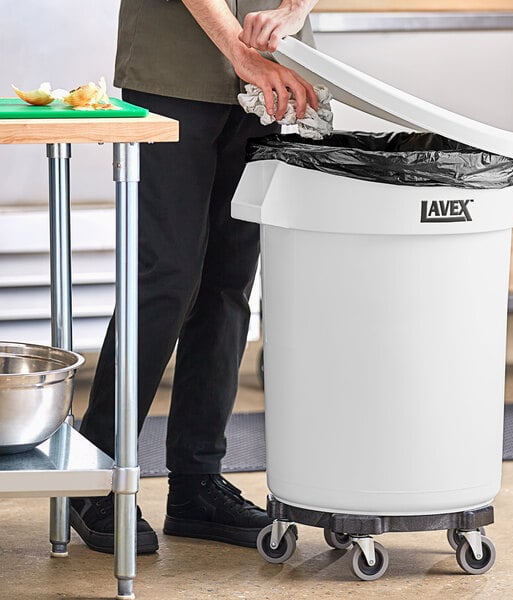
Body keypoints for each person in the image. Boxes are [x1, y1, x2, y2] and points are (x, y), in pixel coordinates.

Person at [70, 0, 319, 555]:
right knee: (166, 276)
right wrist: (237, 49)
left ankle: (197, 483)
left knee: (229, 280)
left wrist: (294, 11)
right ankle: (95, 478)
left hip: (277, 67)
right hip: (174, 67)